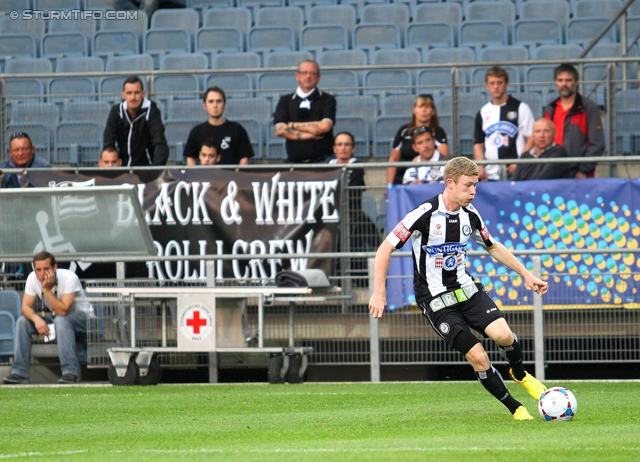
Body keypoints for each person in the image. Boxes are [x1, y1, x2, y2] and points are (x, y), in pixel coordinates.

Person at [369, 157, 549, 420]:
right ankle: (516, 408)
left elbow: (493, 246)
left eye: (475, 185)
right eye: (468, 186)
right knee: (478, 357)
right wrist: (379, 292)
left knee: (504, 335)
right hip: (436, 300)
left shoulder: (470, 215)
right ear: (450, 183)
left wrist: (526, 274)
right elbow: (386, 247)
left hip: (466, 290)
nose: (473, 192)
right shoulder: (423, 214)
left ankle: (519, 373)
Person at [3, 252, 92, 384]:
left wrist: (46, 290)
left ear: (54, 268)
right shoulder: (32, 278)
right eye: (38, 269)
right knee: (23, 322)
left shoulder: (69, 277)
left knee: (62, 320)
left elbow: (63, 310)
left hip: (84, 319)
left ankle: (70, 372)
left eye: (46, 269)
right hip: (57, 319)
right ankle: (19, 373)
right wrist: (36, 319)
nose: (42, 273)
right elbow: (25, 307)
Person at [543, 63, 605, 178]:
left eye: (568, 80)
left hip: (578, 175)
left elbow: (598, 144)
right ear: (555, 83)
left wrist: (583, 171)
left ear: (576, 82)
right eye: (560, 80)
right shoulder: (550, 109)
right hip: (553, 173)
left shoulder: (588, 108)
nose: (564, 84)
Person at [473, 66, 534, 181]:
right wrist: (480, 166)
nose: (496, 86)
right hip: (490, 175)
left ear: (507, 84)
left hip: (515, 173)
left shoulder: (521, 108)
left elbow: (531, 139)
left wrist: (520, 164)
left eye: (499, 83)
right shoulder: (482, 112)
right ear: (487, 86)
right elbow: (478, 144)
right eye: (492, 83)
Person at [273, 60, 336, 163]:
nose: (308, 76)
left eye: (312, 73)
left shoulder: (327, 99)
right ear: (297, 76)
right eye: (304, 73)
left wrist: (292, 125)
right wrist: (312, 135)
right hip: (294, 164)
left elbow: (324, 127)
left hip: (323, 163)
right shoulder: (285, 101)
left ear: (318, 77)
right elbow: (280, 130)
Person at [103, 76, 169, 167]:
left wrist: (155, 171)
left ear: (143, 93)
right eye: (129, 93)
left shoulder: (152, 111)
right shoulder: (116, 112)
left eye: (137, 93)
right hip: (122, 170)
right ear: (123, 95)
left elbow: (159, 142)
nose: (133, 97)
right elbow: (108, 142)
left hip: (146, 169)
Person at [183, 87, 254, 166]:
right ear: (204, 105)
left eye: (219, 101)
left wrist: (239, 177)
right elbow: (191, 158)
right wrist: (194, 177)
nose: (215, 105)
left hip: (231, 177)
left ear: (224, 105)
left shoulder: (237, 129)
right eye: (211, 101)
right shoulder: (196, 132)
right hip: (205, 177)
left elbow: (244, 158)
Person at [388, 94, 448, 186]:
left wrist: (420, 160)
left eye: (427, 107)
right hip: (404, 177)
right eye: (420, 106)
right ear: (414, 110)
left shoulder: (438, 132)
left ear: (433, 111)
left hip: (433, 178)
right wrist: (389, 185)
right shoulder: (404, 131)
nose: (423, 110)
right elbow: (393, 158)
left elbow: (443, 158)